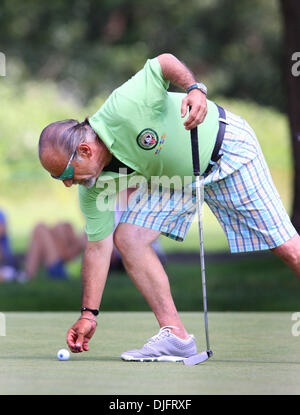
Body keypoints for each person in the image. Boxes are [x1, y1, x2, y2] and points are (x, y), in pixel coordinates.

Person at [38, 53, 300, 362]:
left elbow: (163, 63)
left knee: (287, 248)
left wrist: (196, 89)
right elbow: (97, 247)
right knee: (129, 238)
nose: (67, 184)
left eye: (65, 175)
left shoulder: (124, 106)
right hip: (175, 179)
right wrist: (89, 314)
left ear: (84, 150)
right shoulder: (93, 188)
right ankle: (175, 336)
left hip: (227, 150)